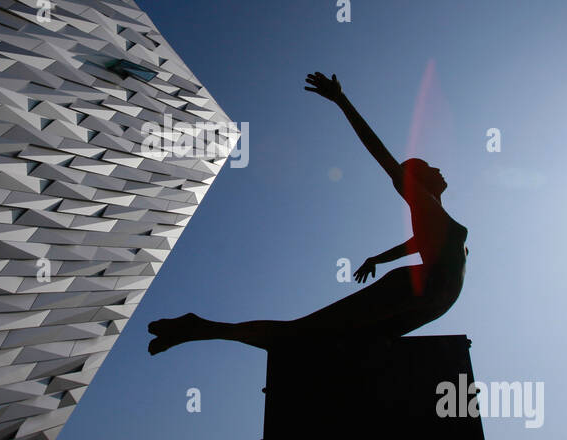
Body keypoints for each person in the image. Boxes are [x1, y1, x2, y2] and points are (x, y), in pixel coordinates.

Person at [147, 72, 467, 354]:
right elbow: (383, 157)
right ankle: (202, 328)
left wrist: (376, 260)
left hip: (426, 301)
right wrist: (342, 101)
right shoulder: (424, 203)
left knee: (328, 344)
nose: (438, 168)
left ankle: (203, 329)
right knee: (301, 334)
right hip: (415, 291)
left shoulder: (434, 215)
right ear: (416, 180)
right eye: (428, 167)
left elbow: (416, 244)